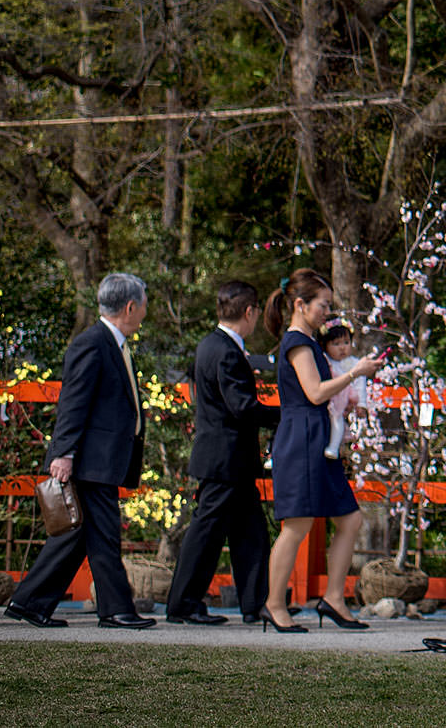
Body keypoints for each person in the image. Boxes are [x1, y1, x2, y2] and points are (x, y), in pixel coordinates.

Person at [5, 273, 153, 630]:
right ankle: (116, 609)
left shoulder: (111, 343)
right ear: (130, 307)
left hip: (98, 458)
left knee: (78, 534)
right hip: (89, 458)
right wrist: (64, 453)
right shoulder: (93, 343)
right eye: (144, 306)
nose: (145, 313)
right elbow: (73, 402)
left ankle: (30, 602)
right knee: (102, 533)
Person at [262, 269, 388, 630]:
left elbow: (319, 395)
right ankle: (274, 604)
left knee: (350, 519)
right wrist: (355, 373)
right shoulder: (297, 343)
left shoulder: (310, 342)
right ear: (300, 305)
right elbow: (315, 392)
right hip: (302, 438)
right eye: (323, 305)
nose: (327, 313)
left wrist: (346, 401)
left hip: (319, 437)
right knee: (297, 525)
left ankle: (333, 598)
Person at [165, 280, 273, 625]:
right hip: (225, 459)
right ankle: (183, 603)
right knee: (207, 533)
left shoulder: (211, 344)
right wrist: (285, 416)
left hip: (229, 459)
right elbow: (241, 406)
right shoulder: (226, 350)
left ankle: (254, 603)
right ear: (249, 311)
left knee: (251, 533)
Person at [319, 321, 361, 460]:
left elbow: (359, 385)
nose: (342, 348)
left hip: (341, 398)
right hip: (325, 396)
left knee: (337, 420)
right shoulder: (324, 360)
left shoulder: (353, 363)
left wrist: (359, 403)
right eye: (336, 344)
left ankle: (334, 447)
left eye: (346, 342)